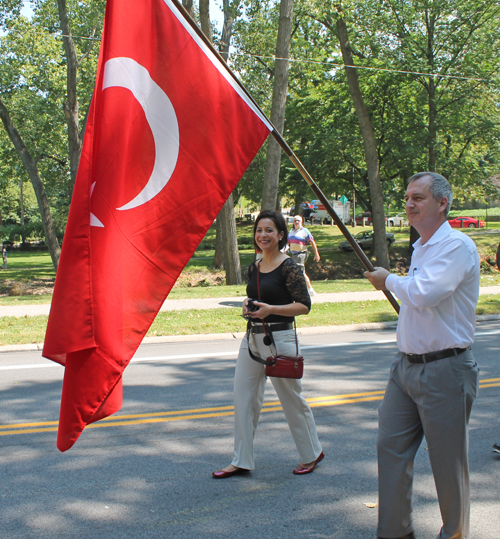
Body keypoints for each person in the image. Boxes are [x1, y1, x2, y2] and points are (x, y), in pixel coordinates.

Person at [364, 172, 480, 539]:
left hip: (445, 368)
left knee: (447, 463)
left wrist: (388, 280)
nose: (410, 205)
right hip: (405, 367)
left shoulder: (457, 246)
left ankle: (454, 534)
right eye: (407, 198)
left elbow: (427, 293)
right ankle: (395, 532)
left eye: (419, 198)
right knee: (391, 448)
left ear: (442, 203)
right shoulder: (420, 247)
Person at [212, 210, 324, 478]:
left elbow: (304, 306)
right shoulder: (256, 266)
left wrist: (270, 309)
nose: (263, 235)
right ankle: (241, 460)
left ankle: (312, 453)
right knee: (244, 398)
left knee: (291, 400)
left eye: (269, 230)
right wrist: (248, 306)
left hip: (280, 339)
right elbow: (256, 296)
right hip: (252, 338)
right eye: (259, 230)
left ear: (281, 235)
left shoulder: (290, 267)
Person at [287, 215, 320, 296]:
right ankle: (306, 289)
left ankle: (309, 289)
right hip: (293, 254)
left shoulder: (305, 231)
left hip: (301, 254)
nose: (296, 222)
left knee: (300, 271)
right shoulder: (291, 232)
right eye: (295, 220)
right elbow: (288, 243)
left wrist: (316, 254)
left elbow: (312, 242)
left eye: (298, 220)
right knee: (298, 272)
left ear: (301, 222)